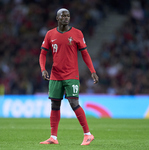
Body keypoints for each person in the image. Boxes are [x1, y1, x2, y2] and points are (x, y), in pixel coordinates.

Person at [39, 8, 99, 145]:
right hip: (55, 75)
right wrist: (43, 69)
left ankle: (88, 134)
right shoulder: (50, 34)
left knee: (73, 103)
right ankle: (53, 137)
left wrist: (92, 71)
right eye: (63, 15)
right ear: (57, 18)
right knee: (55, 104)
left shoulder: (77, 33)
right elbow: (42, 53)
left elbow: (85, 53)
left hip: (71, 75)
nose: (66, 17)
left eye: (68, 15)